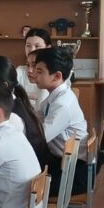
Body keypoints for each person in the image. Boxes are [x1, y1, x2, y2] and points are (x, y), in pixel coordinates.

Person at [31, 46, 88, 196]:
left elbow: (40, 138)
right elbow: (36, 121)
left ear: (56, 76)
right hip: (62, 162)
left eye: (39, 71)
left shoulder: (63, 104)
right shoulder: (53, 97)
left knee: (21, 185)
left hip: (74, 173)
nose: (34, 74)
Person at [16, 28, 51, 110]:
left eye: (37, 46)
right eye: (28, 46)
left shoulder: (53, 74)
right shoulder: (19, 71)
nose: (32, 50)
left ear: (48, 48)